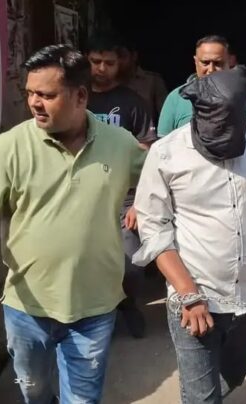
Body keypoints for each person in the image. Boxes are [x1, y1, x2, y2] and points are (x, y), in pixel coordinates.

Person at [0, 44, 146, 404]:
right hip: (27, 307)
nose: (34, 103)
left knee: (83, 398)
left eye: (47, 95)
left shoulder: (120, 144)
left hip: (95, 305)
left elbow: (164, 179)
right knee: (33, 389)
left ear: (80, 96)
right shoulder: (9, 147)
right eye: (30, 93)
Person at [133, 67, 246, 403]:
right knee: (202, 397)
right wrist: (188, 294)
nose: (225, 133)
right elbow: (154, 229)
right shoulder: (167, 153)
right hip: (193, 297)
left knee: (236, 373)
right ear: (198, 113)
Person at [87, 35, 157, 339]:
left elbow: (149, 153)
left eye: (109, 63)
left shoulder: (132, 103)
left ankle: (128, 306)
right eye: (95, 62)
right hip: (84, 196)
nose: (101, 68)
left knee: (131, 265)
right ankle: (96, 318)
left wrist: (140, 202)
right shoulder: (76, 99)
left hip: (126, 198)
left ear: (122, 64)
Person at [157, 35, 246, 136]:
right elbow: (164, 143)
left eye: (218, 63)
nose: (211, 69)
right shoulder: (176, 97)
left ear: (229, 62)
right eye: (205, 63)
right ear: (195, 61)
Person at [116, 37, 168, 126]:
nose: (118, 61)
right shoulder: (108, 80)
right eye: (116, 57)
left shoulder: (152, 81)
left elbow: (165, 115)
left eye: (122, 56)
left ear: (134, 56)